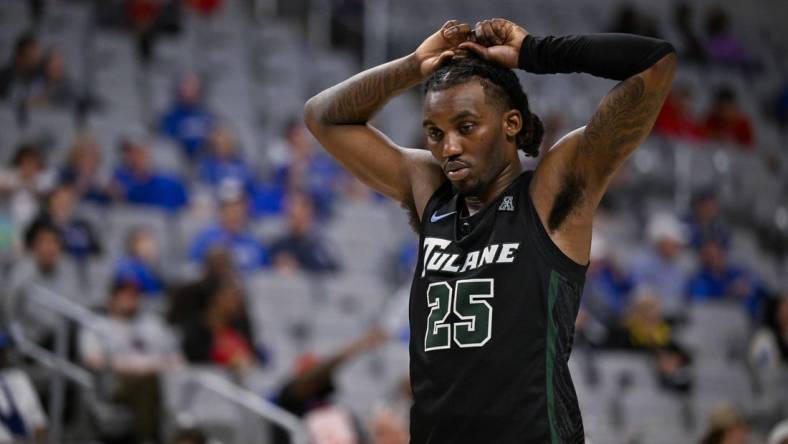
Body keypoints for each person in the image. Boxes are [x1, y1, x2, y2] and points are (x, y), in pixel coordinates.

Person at [304, 17, 676, 443]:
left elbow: (655, 62)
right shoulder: (433, 193)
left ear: (511, 124)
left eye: (465, 127)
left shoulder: (550, 192)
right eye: (435, 133)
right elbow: (322, 118)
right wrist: (414, 65)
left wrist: (536, 51)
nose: (449, 147)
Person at [79, 279, 182, 444]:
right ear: (111, 298)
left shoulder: (153, 324)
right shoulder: (97, 325)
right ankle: (147, 439)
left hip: (160, 382)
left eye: (135, 295)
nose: (132, 299)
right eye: (126, 294)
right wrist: (136, 367)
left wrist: (146, 367)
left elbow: (178, 360)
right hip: (114, 386)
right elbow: (93, 361)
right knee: (146, 382)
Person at [269, 192, 340, 274]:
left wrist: (300, 266)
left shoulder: (320, 245)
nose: (292, 217)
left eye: (295, 212)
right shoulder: (278, 246)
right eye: (290, 213)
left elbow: (334, 271)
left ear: (309, 212)